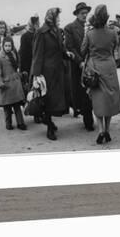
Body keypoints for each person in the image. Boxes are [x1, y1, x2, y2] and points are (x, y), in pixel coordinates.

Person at [31, 8, 74, 140]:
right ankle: (49, 127)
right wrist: (36, 75)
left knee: (55, 101)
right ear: (52, 18)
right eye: (58, 18)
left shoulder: (56, 31)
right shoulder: (41, 32)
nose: (59, 20)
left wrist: (67, 54)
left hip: (58, 71)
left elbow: (60, 49)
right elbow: (37, 55)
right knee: (47, 100)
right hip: (46, 73)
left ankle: (48, 121)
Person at [81, 5, 120, 143]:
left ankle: (100, 130)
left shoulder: (90, 34)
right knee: (109, 99)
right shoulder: (112, 33)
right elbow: (115, 47)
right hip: (109, 68)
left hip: (95, 69)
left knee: (98, 101)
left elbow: (83, 50)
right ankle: (107, 130)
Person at [64, 2, 94, 130]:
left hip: (91, 64)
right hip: (78, 66)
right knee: (82, 93)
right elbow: (70, 46)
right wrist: (80, 61)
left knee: (92, 91)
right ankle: (88, 120)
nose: (85, 15)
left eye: (86, 13)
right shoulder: (70, 28)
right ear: (77, 14)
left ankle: (88, 116)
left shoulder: (91, 26)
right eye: (82, 13)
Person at [0, 37, 27, 130]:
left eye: (9, 45)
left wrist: (20, 75)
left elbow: (17, 67)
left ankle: (21, 123)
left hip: (15, 84)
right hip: (6, 85)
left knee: (17, 106)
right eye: (6, 45)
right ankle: (8, 124)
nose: (8, 47)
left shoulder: (14, 55)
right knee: (7, 108)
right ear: (3, 46)